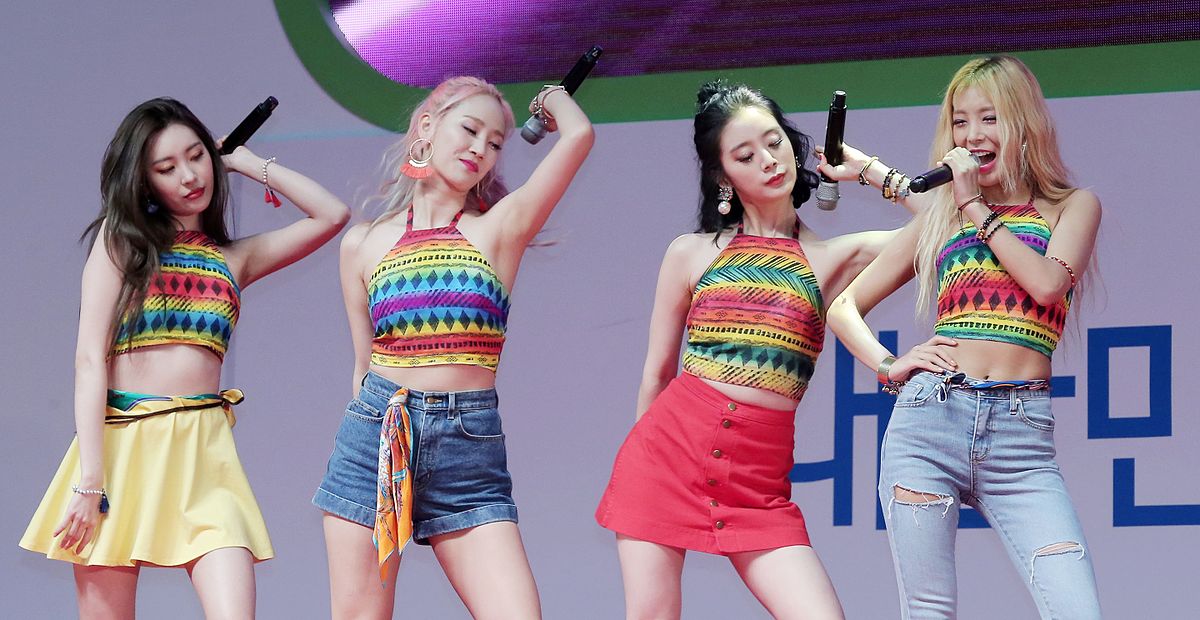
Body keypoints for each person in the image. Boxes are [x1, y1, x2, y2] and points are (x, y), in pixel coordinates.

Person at [595, 80, 919, 620]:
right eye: (745, 156)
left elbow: (947, 225)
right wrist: (646, 478)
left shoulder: (835, 256)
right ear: (723, 177)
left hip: (757, 487)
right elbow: (656, 375)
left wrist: (868, 171)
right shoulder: (691, 253)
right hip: (662, 464)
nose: (769, 161)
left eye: (774, 142)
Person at [19, 97, 350, 618]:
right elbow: (88, 360)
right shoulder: (120, 242)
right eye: (167, 167)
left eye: (197, 156)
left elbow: (333, 215)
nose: (190, 176)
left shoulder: (232, 259)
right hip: (120, 452)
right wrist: (90, 480)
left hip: (205, 457)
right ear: (144, 181)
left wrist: (245, 162)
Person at [821, 55, 1102, 618]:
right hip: (930, 422)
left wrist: (968, 202)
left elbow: (1047, 284)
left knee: (1077, 609)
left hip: (1022, 438)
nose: (972, 135)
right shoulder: (945, 216)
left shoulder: (1070, 206)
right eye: (959, 121)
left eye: (989, 118)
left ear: (1025, 124)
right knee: (929, 610)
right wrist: (889, 364)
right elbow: (844, 307)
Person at [312, 76, 593, 619]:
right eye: (469, 129)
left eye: (495, 142)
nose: (480, 148)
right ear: (427, 127)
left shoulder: (499, 230)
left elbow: (578, 136)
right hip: (375, 436)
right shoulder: (363, 243)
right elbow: (363, 366)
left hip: (467, 447)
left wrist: (549, 99)